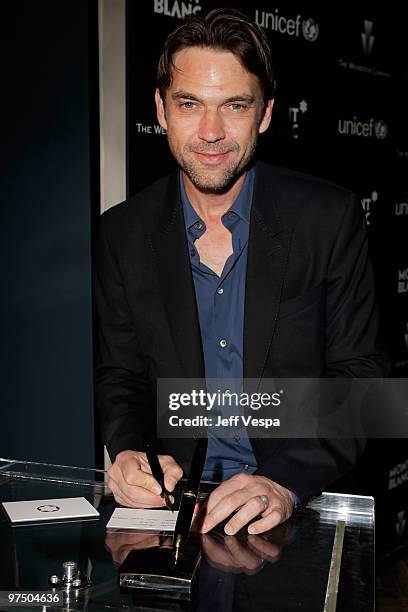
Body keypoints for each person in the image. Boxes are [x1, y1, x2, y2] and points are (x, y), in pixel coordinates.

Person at [95, 8, 387, 536]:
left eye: (234, 105)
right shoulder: (121, 234)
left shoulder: (328, 219)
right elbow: (122, 376)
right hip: (172, 509)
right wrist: (130, 450)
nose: (211, 132)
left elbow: (362, 382)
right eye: (189, 104)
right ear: (160, 110)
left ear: (266, 114)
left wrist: (284, 482)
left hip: (292, 504)